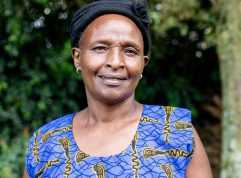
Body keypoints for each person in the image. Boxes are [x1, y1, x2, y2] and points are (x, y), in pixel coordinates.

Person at [23, 0, 213, 177]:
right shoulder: (45, 143)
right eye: (100, 48)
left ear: (143, 64)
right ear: (77, 58)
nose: (115, 62)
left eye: (130, 51)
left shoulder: (176, 132)